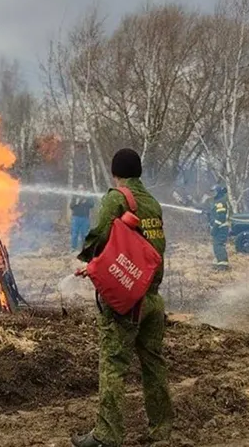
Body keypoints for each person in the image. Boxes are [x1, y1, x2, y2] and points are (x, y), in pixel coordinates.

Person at [72, 148, 172, 447]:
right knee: (153, 364)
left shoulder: (116, 198)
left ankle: (106, 437)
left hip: (128, 303)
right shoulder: (152, 203)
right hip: (152, 298)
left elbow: (101, 234)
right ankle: (161, 433)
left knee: (113, 365)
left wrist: (87, 259)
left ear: (116, 174)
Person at [208, 184, 230, 271]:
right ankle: (218, 263)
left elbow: (221, 217)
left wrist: (214, 228)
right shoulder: (217, 201)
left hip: (221, 227)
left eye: (214, 192)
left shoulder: (220, 202)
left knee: (218, 245)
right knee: (216, 245)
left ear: (219, 192)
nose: (213, 194)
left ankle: (223, 266)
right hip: (219, 227)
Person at [70, 184, 94, 251]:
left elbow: (92, 205)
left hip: (85, 218)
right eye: (80, 188)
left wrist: (86, 202)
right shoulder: (75, 196)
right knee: (74, 233)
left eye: (82, 188)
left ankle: (84, 248)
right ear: (78, 189)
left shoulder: (88, 196)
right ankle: (73, 248)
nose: (81, 189)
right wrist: (76, 203)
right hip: (76, 218)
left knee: (84, 234)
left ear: (84, 189)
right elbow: (71, 206)